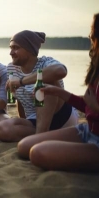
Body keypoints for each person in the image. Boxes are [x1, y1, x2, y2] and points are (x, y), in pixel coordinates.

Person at [17, 13, 99, 172]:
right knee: (25, 146)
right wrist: (57, 91)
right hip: (88, 130)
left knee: (38, 153)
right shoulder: (96, 67)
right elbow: (86, 105)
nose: (89, 35)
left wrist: (96, 108)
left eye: (93, 31)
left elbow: (61, 70)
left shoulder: (46, 62)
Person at [0, 30, 78, 142]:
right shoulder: (12, 68)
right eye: (11, 48)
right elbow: (21, 101)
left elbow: (61, 71)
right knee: (2, 128)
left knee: (44, 85)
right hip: (34, 121)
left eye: (16, 48)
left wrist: (22, 81)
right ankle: (46, 135)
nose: (11, 52)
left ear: (30, 50)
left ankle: (40, 137)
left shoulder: (45, 62)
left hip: (61, 117)